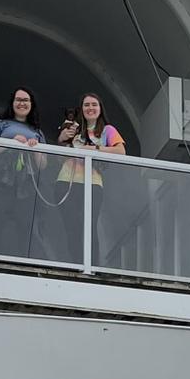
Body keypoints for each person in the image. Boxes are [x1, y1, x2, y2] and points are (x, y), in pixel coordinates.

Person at [54, 92, 125, 264]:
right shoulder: (74, 128)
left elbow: (121, 151)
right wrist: (62, 140)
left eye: (94, 104)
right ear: (81, 109)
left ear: (100, 108)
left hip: (92, 184)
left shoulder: (108, 130)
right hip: (66, 181)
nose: (90, 108)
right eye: (86, 105)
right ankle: (74, 263)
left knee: (89, 225)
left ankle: (92, 265)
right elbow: (60, 158)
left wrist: (95, 150)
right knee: (71, 225)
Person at [0, 87, 48, 259]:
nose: (22, 103)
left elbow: (42, 165)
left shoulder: (37, 132)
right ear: (12, 103)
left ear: (31, 105)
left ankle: (24, 264)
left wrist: (35, 148)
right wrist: (11, 142)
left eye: (26, 100)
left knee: (25, 226)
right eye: (18, 100)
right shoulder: (1, 125)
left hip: (25, 186)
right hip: (2, 181)